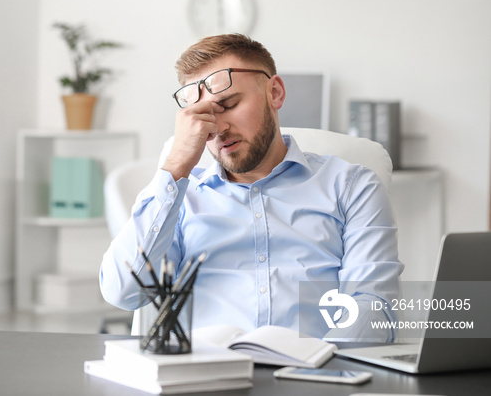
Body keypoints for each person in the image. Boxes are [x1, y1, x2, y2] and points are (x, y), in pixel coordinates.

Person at [100, 34, 403, 341]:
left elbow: (373, 305)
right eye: (202, 116)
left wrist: (317, 369)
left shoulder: (352, 187)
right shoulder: (179, 198)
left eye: (229, 104)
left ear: (275, 92)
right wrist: (176, 166)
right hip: (206, 377)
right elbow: (123, 293)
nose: (216, 128)